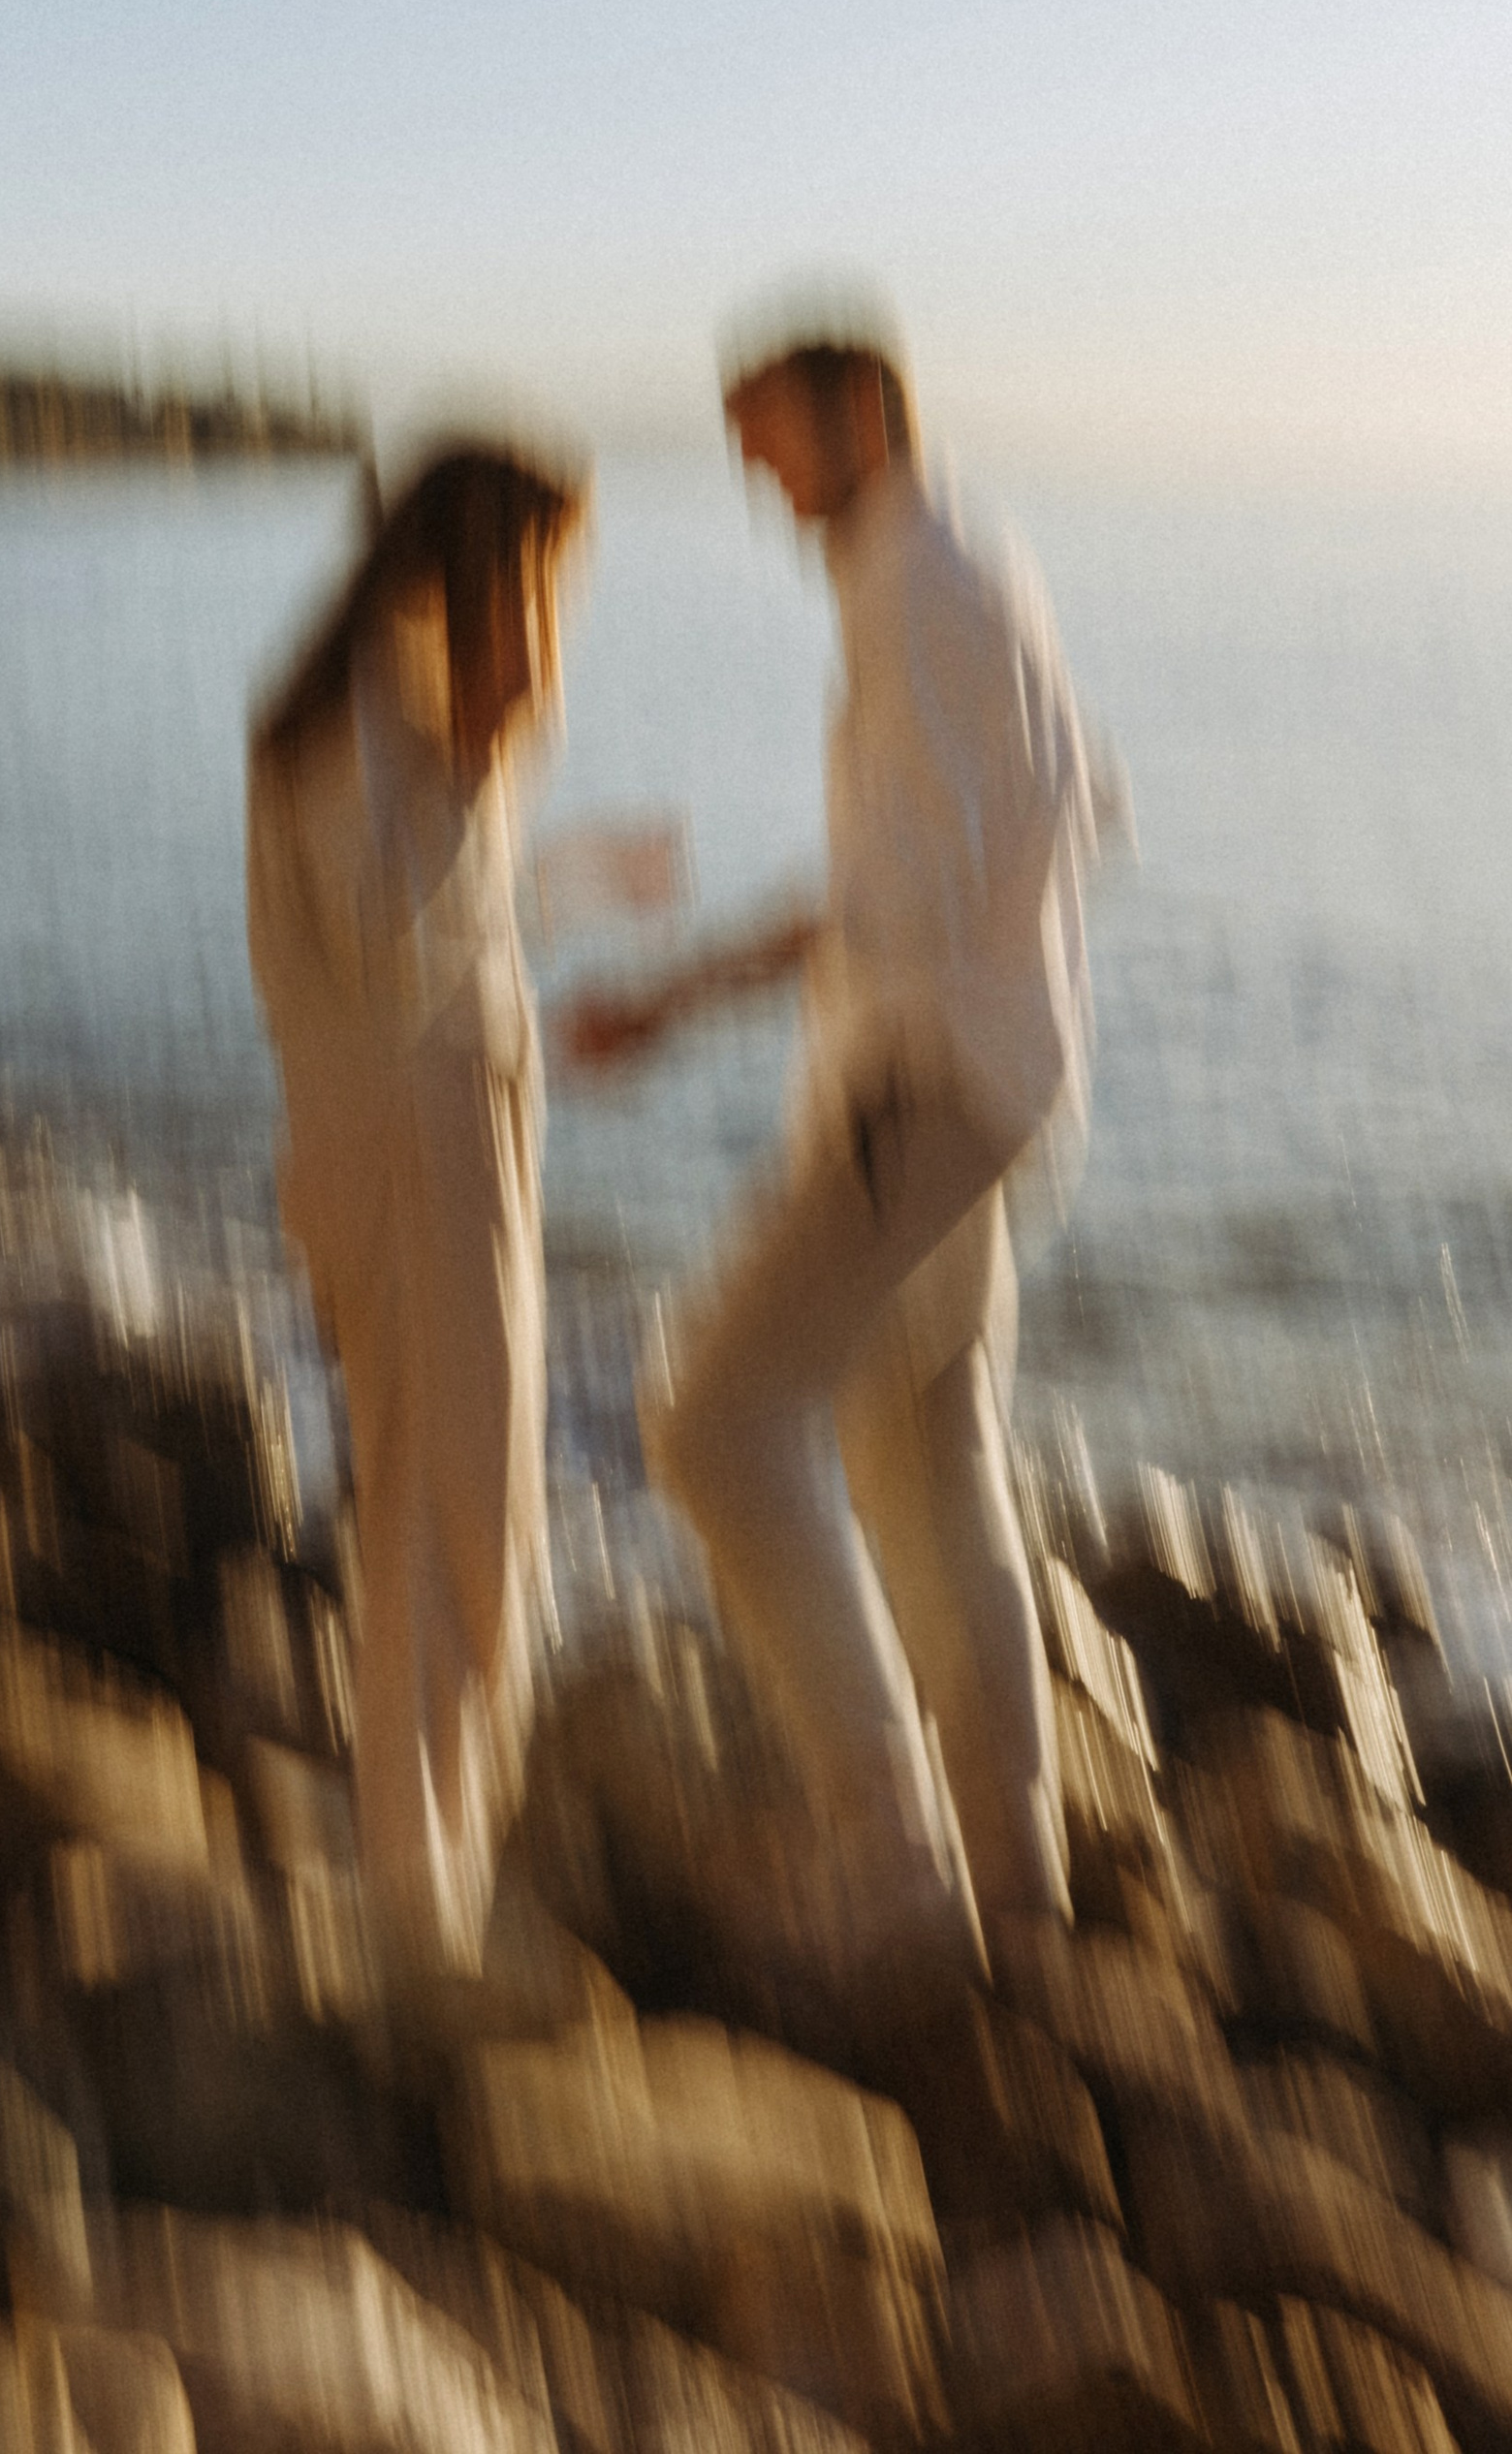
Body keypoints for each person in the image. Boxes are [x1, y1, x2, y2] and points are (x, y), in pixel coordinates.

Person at [561, 320, 1120, 1963]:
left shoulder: (919, 592)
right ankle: (1018, 1902)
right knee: (922, 1457)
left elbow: (900, 904)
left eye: (770, 437)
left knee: (714, 1424)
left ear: (862, 408)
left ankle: (892, 1864)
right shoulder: (958, 563)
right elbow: (1045, 817)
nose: (754, 478)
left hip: (935, 1096)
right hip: (1007, 1084)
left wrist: (666, 998)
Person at [246, 440, 588, 1980]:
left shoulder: (401, 706)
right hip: (402, 1158)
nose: (548, 611)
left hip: (447, 1138)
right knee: (445, 1511)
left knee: (476, 1501)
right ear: (481, 565)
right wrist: (488, 755)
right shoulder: (353, 720)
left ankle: (439, 1874)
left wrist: (553, 861)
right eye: (538, 573)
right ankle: (416, 1907)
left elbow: (450, 932)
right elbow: (393, 945)